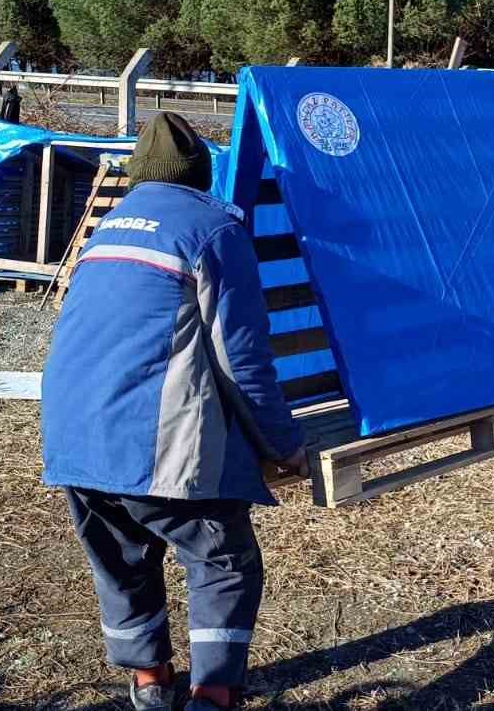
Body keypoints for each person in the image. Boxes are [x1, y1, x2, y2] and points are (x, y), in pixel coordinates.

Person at [40, 112, 308, 711]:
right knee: (223, 559)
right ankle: (214, 695)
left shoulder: (104, 231)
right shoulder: (213, 230)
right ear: (201, 175)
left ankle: (149, 687)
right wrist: (283, 446)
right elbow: (242, 359)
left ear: (139, 175)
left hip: (73, 438)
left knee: (123, 562)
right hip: (155, 444)